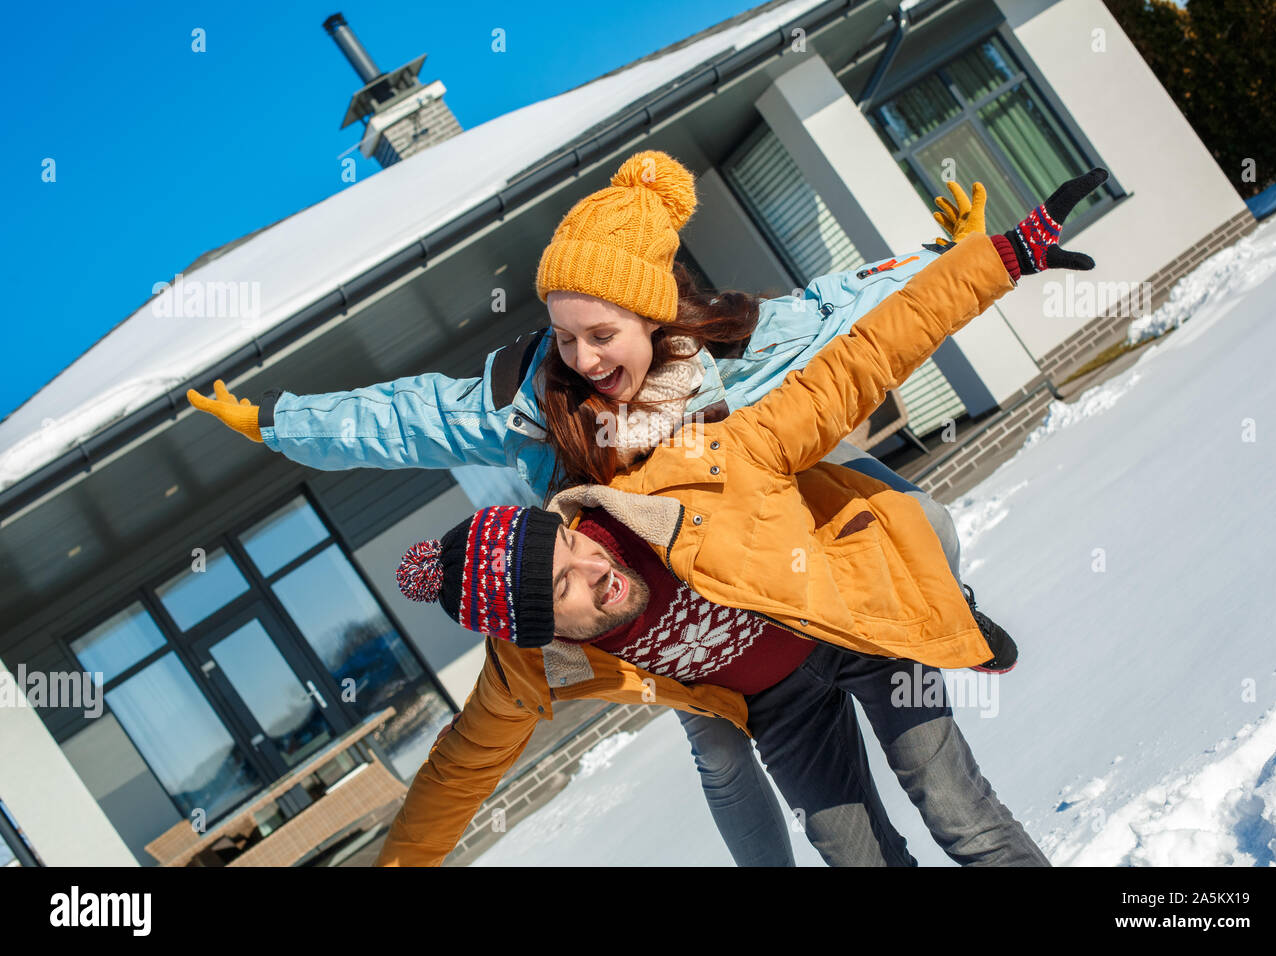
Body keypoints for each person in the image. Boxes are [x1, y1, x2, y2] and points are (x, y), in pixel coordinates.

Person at [186, 150, 1037, 864]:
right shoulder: (533, 409)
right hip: (662, 600)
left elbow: (842, 317)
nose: (584, 357)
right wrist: (279, 423)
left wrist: (957, 258)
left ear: (652, 314)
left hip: (770, 526)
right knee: (719, 748)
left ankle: (941, 613)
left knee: (914, 519)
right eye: (565, 336)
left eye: (603, 334)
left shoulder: (729, 352)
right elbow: (409, 416)